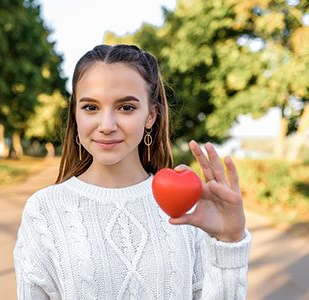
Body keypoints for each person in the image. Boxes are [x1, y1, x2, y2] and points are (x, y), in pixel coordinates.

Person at [13, 44, 251, 299]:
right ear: (75, 114)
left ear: (151, 115)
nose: (106, 125)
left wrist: (229, 242)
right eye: (91, 107)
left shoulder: (189, 209)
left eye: (126, 107)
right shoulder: (44, 211)